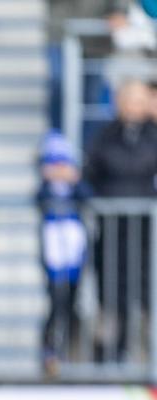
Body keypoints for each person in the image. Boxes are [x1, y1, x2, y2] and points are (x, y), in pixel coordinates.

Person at [84, 79, 157, 362]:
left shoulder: (152, 136)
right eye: (128, 100)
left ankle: (147, 356)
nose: (133, 107)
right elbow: (91, 174)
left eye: (139, 101)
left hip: (147, 231)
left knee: (147, 289)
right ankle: (110, 358)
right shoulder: (104, 136)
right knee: (112, 293)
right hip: (112, 229)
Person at [37, 132, 93, 376]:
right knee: (55, 302)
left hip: (73, 249)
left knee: (72, 301)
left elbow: (88, 195)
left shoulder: (75, 186)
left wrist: (75, 181)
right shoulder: (46, 189)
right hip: (54, 251)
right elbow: (38, 198)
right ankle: (50, 352)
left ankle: (72, 351)